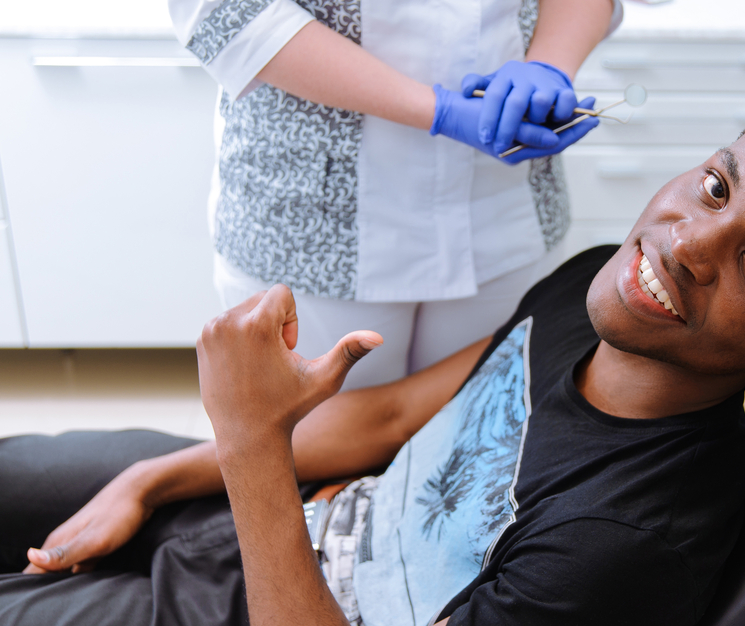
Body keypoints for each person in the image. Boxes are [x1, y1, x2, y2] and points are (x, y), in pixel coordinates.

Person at [0, 92, 745, 626]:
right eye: (716, 186)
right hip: (288, 521)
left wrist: (254, 441)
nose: (684, 244)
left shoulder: (624, 545)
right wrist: (151, 479)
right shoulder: (597, 292)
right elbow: (393, 417)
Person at [168, 0, 620, 392]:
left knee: (484, 438)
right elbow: (226, 10)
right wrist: (438, 111)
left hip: (505, 211)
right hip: (312, 225)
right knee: (312, 445)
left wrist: (550, 64)